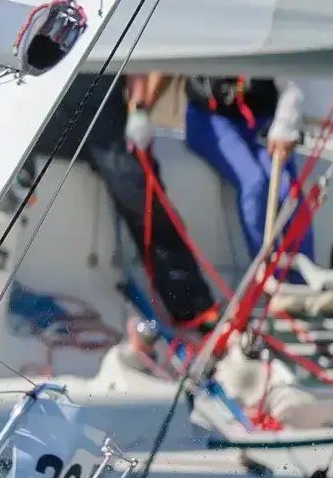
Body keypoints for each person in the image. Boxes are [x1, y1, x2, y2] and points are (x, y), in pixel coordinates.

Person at [39, 73, 219, 333]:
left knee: (142, 197)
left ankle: (193, 305)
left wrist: (139, 109)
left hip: (99, 107)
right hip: (44, 106)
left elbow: (133, 59)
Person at [182, 75, 312, 259]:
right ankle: (264, 277)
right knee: (255, 183)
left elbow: (293, 80)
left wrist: (287, 122)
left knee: (290, 193)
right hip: (210, 119)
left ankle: (301, 282)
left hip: (260, 121)